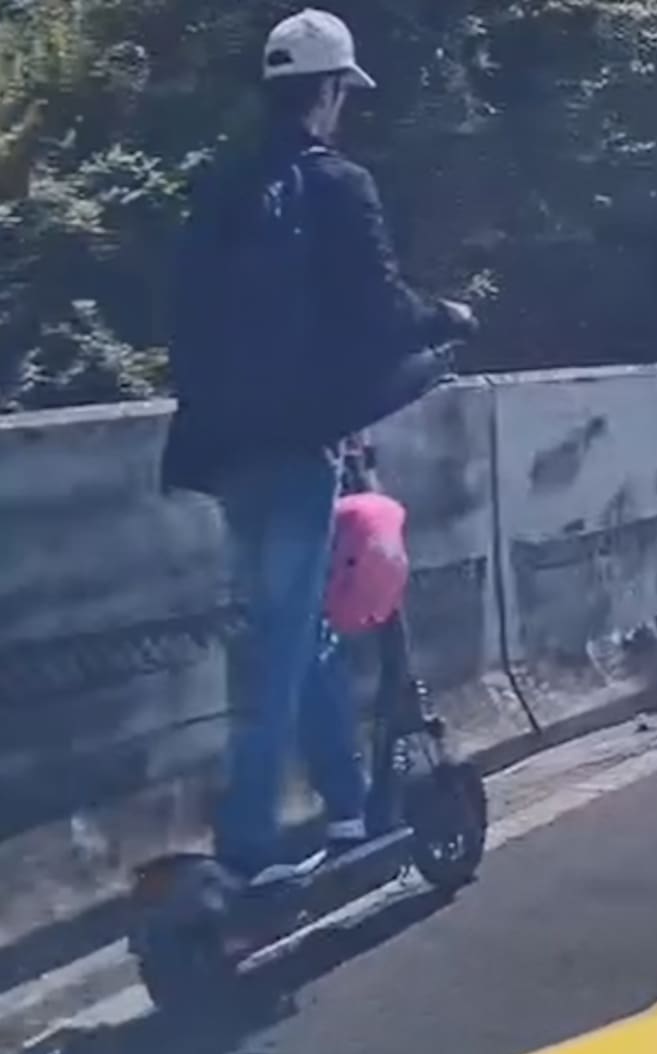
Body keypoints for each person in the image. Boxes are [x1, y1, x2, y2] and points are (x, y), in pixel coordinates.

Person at [161, 9, 476, 883]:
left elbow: (182, 315)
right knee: (279, 642)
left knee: (303, 632)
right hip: (296, 444)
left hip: (222, 450)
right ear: (332, 92)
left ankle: (347, 807)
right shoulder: (337, 184)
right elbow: (377, 308)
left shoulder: (220, 183)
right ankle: (251, 850)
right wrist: (443, 319)